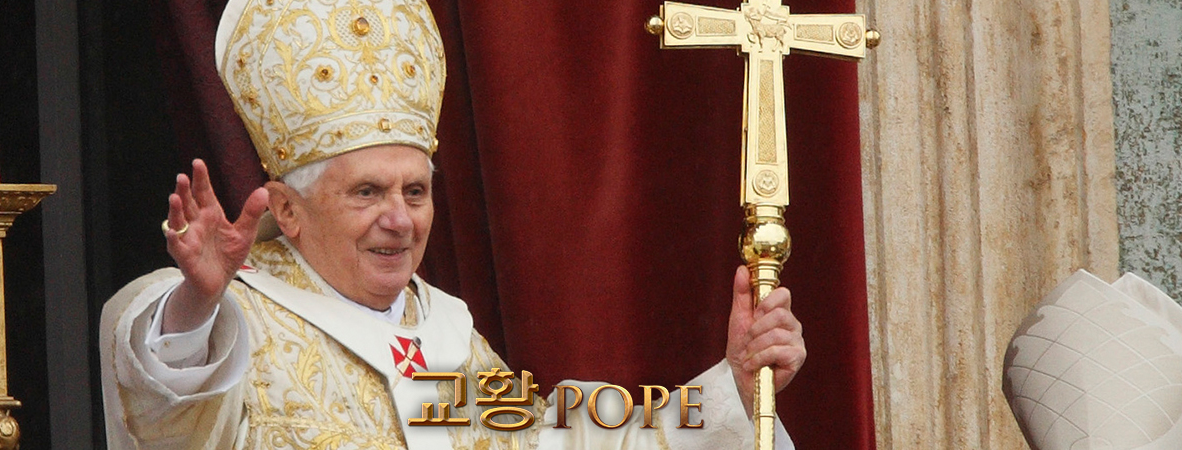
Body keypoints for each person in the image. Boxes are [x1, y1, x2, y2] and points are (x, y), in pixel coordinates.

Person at [99, 0, 807, 448]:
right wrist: (196, 303)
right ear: (287, 209)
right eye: (367, 192)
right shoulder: (231, 326)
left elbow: (558, 441)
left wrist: (735, 385)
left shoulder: (448, 337)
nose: (399, 220)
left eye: (415, 192)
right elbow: (167, 410)